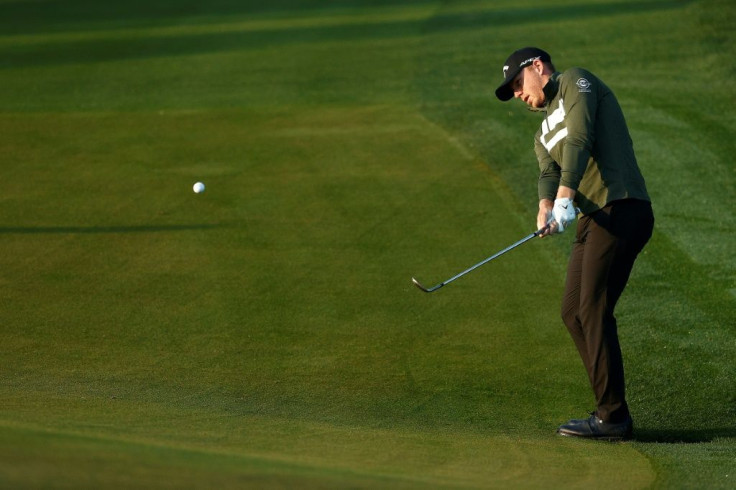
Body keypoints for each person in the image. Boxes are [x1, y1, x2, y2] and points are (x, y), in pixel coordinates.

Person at [494, 47, 654, 440]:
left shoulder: (575, 82)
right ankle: (609, 406)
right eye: (512, 90)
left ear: (537, 67)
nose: (517, 93)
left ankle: (613, 417)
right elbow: (548, 172)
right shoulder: (540, 132)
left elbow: (580, 135)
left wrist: (566, 196)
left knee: (593, 309)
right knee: (573, 312)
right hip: (592, 219)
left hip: (620, 205)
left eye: (518, 83)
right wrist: (546, 207)